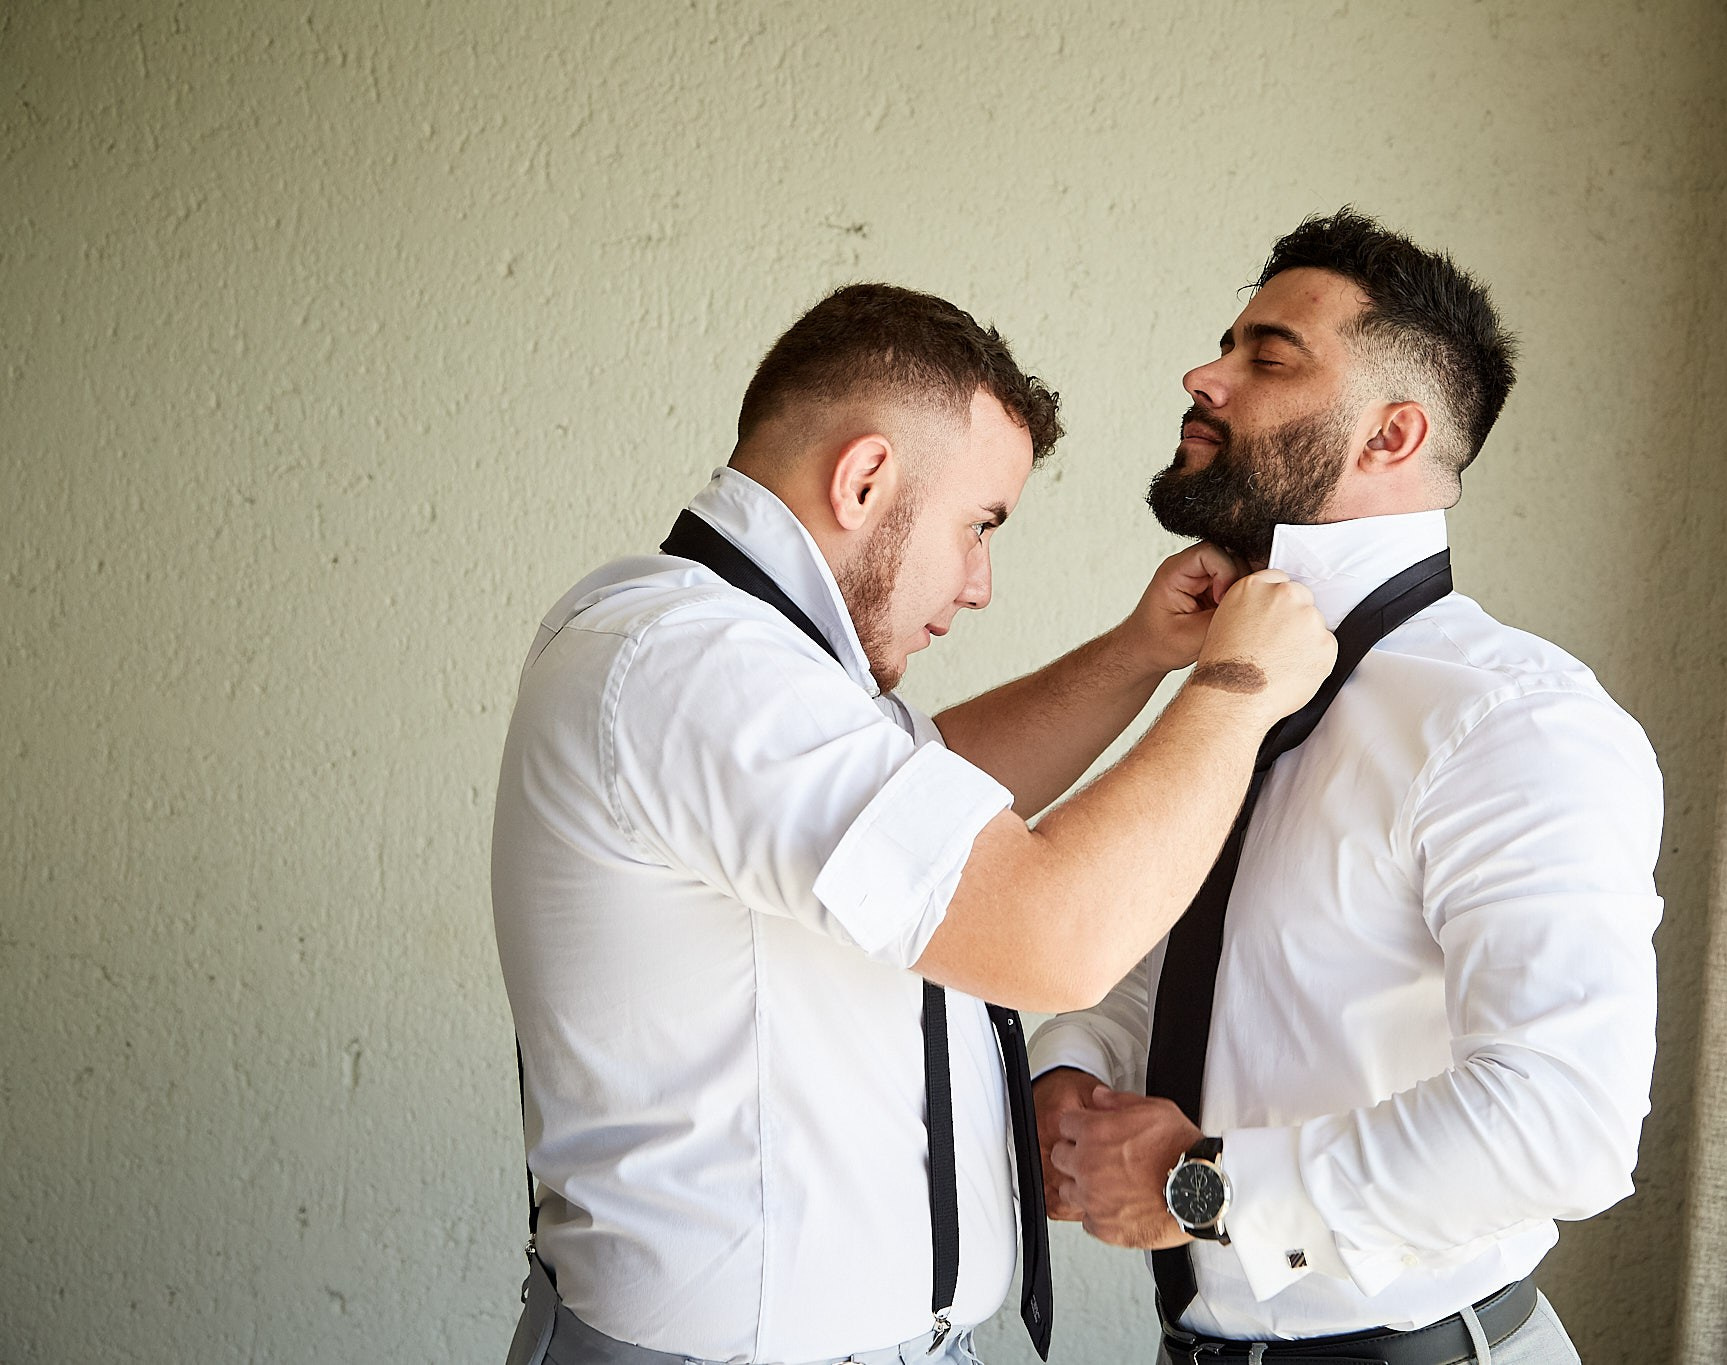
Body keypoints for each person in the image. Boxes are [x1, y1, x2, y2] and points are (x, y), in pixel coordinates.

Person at [491, 282, 1336, 1365]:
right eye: (977, 526)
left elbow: (926, 800)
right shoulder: (698, 668)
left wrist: (1140, 655)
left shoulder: (736, 654)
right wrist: (1239, 685)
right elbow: (1046, 934)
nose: (978, 583)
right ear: (864, 478)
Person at [1030, 210, 1665, 1365]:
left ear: (1391, 434)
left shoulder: (1509, 721)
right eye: (1225, 343)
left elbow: (1563, 1123)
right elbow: (1196, 954)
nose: (1202, 375)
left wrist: (1200, 1188)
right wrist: (1075, 1067)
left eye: (1265, 357)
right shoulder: (1233, 669)